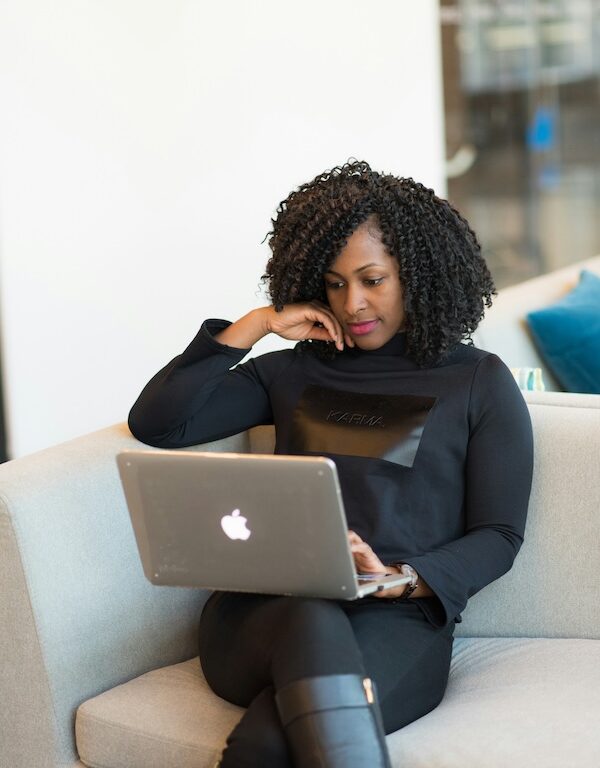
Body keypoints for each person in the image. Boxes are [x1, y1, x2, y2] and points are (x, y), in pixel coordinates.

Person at [128, 160, 534, 767]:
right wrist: (259, 325)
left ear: (416, 276)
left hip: (396, 619)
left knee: (273, 738)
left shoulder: (477, 382)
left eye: (373, 279)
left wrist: (396, 576)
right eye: (335, 282)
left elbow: (498, 536)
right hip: (261, 614)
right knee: (310, 623)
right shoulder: (294, 369)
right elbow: (160, 423)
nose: (353, 302)